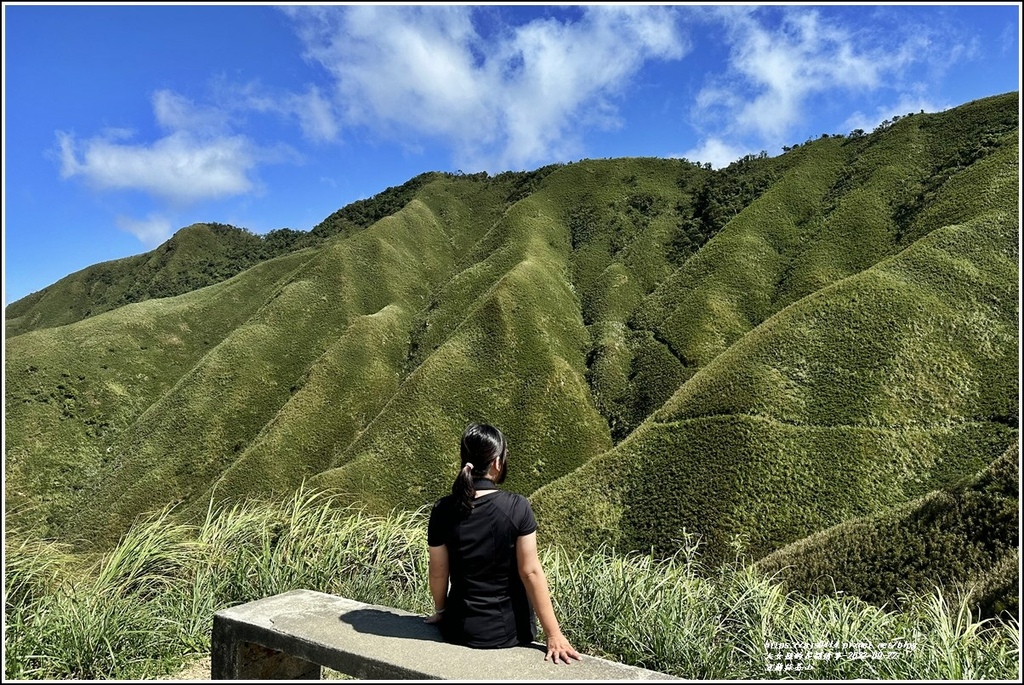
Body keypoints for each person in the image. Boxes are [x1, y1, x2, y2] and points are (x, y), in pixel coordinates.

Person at [424, 423, 582, 665]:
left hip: (457, 629)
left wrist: (442, 612)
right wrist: (554, 634)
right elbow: (530, 572)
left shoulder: (442, 509)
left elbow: (438, 571)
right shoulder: (517, 507)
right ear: (497, 462)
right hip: (509, 633)